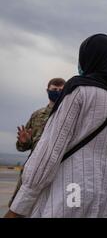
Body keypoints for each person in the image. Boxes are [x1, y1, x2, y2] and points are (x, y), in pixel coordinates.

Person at [4, 34, 107, 218]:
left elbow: (50, 151)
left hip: (70, 187)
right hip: (103, 191)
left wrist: (20, 204)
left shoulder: (78, 90)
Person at [8, 78, 66, 208]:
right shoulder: (37, 115)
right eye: (54, 90)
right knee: (20, 207)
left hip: (57, 172)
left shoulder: (68, 115)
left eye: (61, 90)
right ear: (47, 91)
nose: (57, 92)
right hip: (33, 168)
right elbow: (22, 147)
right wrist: (24, 142)